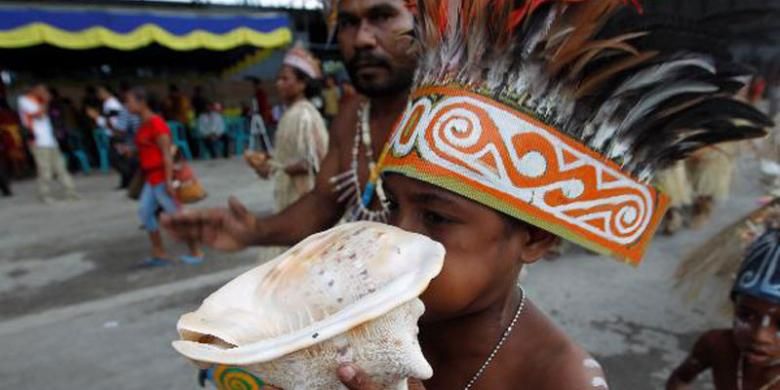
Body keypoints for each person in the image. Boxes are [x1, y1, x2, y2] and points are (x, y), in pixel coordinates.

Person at [162, 0, 418, 251]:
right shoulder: (352, 115)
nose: (362, 39)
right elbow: (322, 203)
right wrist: (253, 230)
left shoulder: (452, 109)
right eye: (348, 22)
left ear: (422, 20)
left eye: (382, 16)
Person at [668, 216, 780, 390]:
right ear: (734, 307)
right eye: (746, 315)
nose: (759, 336)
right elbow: (680, 379)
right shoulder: (717, 345)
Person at [124, 87, 203, 267]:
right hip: (151, 179)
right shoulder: (143, 124)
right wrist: (133, 151)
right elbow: (148, 149)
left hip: (161, 178)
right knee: (145, 213)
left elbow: (167, 154)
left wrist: (168, 181)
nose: (126, 105)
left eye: (129, 101)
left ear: (141, 101)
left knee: (177, 216)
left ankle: (196, 251)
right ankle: (159, 252)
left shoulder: (156, 123)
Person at [249, 44, 329, 212]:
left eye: (285, 79)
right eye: (278, 79)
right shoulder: (290, 113)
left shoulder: (305, 115)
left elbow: (315, 162)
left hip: (304, 199)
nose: (279, 84)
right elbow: (290, 155)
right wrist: (269, 162)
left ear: (302, 84)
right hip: (288, 197)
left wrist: (278, 168)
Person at [18, 84, 80, 204]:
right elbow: (39, 115)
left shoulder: (39, 100)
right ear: (34, 90)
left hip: (50, 141)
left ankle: (71, 192)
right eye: (42, 90)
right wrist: (46, 101)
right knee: (45, 170)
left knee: (61, 168)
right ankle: (45, 195)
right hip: (38, 142)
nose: (45, 92)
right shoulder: (25, 101)